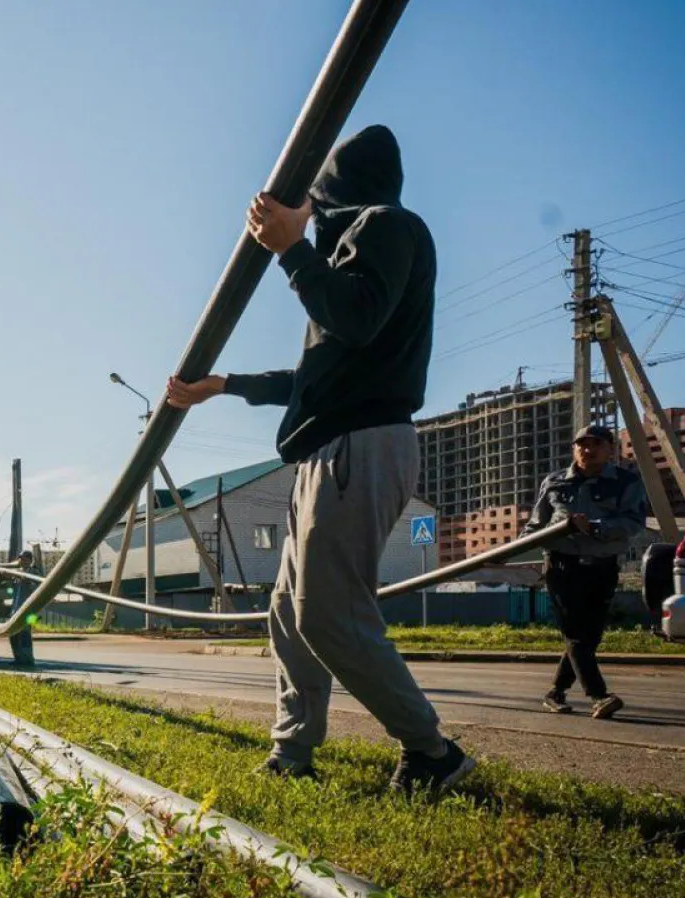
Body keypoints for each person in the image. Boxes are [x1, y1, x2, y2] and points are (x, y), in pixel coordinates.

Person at [166, 124, 473, 794]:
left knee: (325, 612)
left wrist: (293, 252)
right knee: (288, 612)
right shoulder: (348, 257)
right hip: (330, 451)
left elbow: (357, 319)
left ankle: (432, 753)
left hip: (361, 446)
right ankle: (293, 751)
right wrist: (224, 387)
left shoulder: (388, 225)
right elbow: (315, 376)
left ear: (331, 194)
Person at [526, 424, 645, 719]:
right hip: (562, 566)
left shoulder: (625, 482)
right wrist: (510, 554)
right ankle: (599, 695)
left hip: (602, 567)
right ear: (573, 449)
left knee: (589, 637)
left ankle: (555, 693)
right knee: (575, 632)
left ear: (609, 449)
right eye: (581, 444)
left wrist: (596, 528)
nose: (587, 450)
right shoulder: (554, 482)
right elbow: (534, 526)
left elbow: (633, 523)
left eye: (595, 444)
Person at [7, 547, 41, 668]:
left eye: (26, 559)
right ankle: (18, 658)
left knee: (25, 635)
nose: (23, 561)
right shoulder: (17, 573)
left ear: (30, 560)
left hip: (28, 610)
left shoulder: (34, 573)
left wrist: (27, 581)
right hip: (15, 609)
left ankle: (28, 659)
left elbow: (37, 589)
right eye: (21, 559)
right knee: (13, 635)